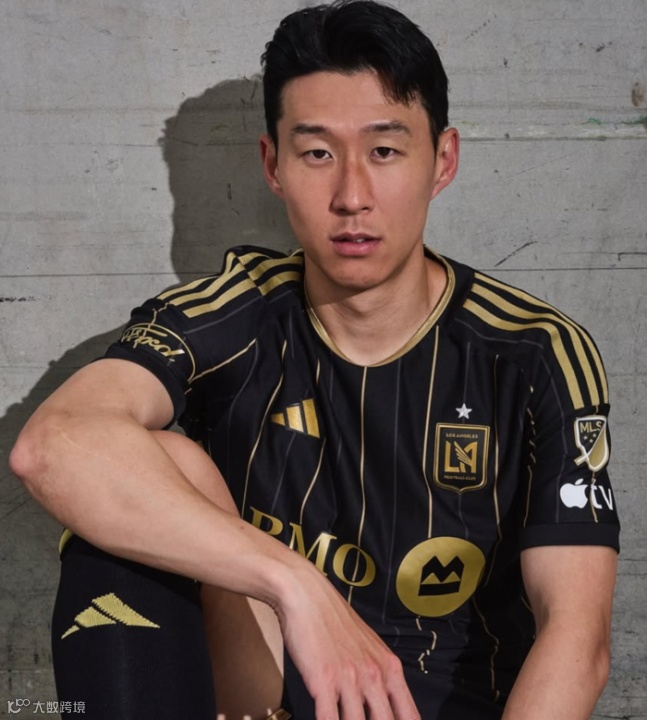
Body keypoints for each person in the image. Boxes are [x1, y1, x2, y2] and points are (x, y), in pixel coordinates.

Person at [10, 1, 619, 718]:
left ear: (443, 160)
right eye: (317, 153)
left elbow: (577, 641)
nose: (351, 196)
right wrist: (299, 588)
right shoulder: (232, 311)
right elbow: (52, 447)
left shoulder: (531, 352)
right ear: (273, 165)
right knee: (139, 477)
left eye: (384, 151)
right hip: (260, 697)